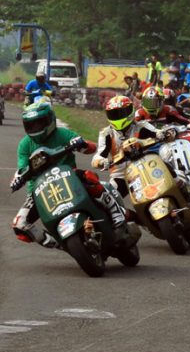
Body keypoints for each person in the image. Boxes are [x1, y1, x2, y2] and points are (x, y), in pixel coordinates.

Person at [9, 103, 129, 248]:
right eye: (31, 125)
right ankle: (56, 243)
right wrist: (18, 178)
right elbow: (21, 169)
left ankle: (114, 211)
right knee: (19, 225)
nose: (36, 128)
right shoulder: (24, 144)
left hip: (68, 177)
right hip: (39, 190)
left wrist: (81, 144)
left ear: (50, 120)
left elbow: (90, 148)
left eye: (39, 123)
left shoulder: (62, 133)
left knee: (88, 177)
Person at [91, 96, 177, 198]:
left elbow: (157, 132)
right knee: (108, 198)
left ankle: (187, 194)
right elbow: (98, 156)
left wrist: (162, 134)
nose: (117, 117)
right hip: (121, 175)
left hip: (146, 166)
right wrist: (101, 161)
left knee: (169, 171)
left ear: (130, 112)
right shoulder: (106, 133)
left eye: (121, 113)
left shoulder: (141, 126)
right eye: (114, 114)